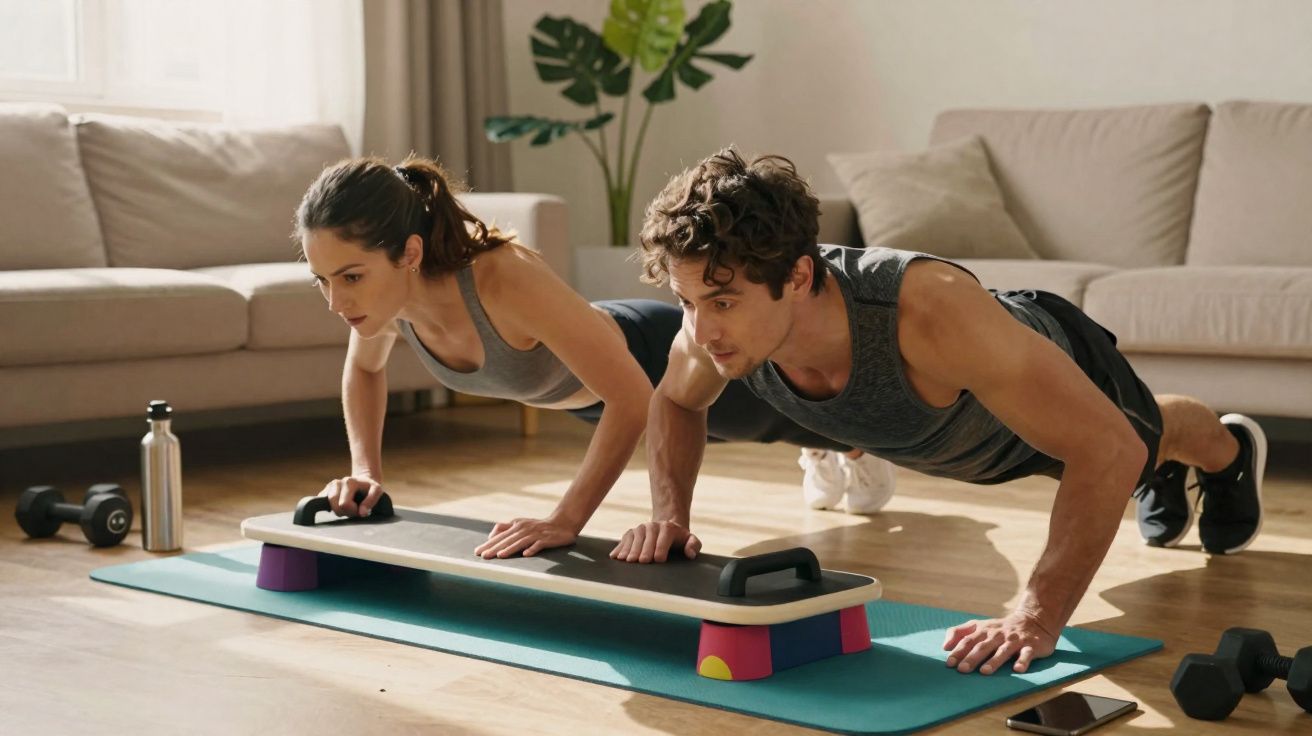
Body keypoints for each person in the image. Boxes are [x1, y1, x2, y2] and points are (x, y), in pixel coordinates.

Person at [609, 147, 1266, 677]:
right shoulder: (709, 331)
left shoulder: (929, 311)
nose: (701, 328)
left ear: (800, 277)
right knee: (1119, 456)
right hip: (951, 438)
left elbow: (1106, 449)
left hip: (1043, 371)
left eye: (722, 303)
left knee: (1135, 445)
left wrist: (1035, 617)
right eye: (687, 301)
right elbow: (672, 400)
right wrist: (670, 516)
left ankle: (1231, 454)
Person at [293, 155, 897, 561]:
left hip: (649, 353)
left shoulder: (500, 278)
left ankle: (844, 444)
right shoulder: (382, 299)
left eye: (349, 276)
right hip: (585, 395)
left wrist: (566, 519)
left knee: (785, 411)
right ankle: (819, 441)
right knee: (759, 422)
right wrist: (367, 472)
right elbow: (365, 370)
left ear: (409, 252)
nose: (335, 300)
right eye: (322, 280)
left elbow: (635, 396)